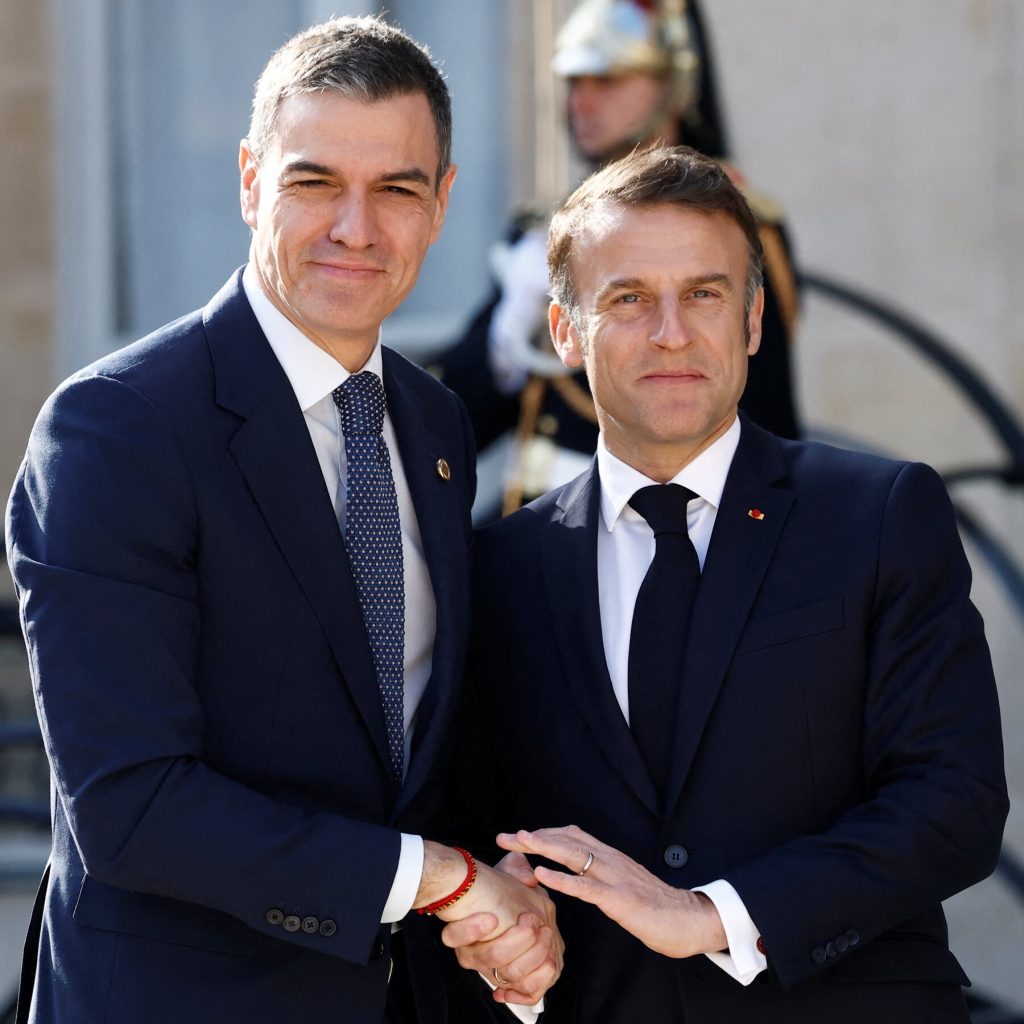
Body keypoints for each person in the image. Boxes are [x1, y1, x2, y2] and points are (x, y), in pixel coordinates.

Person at [4, 16, 560, 1024]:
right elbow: (130, 805)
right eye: (315, 182)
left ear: (441, 204)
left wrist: (506, 899)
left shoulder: (433, 421)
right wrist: (436, 879)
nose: (356, 227)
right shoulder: (118, 427)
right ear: (251, 180)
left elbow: (406, 747)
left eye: (397, 189)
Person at [448, 146, 1008, 1022]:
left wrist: (714, 917)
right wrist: (505, 921)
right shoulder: (497, 569)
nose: (671, 332)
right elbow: (479, 835)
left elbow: (953, 802)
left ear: (751, 322)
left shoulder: (879, 516)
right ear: (564, 332)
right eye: (628, 298)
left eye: (704, 295)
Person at [436, 0, 800, 517]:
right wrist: (507, 335)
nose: (581, 102)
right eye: (574, 82)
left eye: (606, 80)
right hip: (544, 522)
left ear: (673, 84)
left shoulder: (740, 229)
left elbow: (767, 417)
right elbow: (457, 424)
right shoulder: (547, 230)